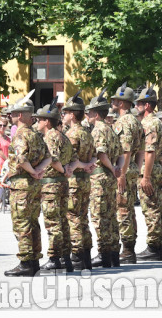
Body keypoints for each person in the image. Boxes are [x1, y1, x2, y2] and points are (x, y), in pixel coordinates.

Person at [4, 96, 51, 277]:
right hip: (34, 184)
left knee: (22, 223)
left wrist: (31, 170)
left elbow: (21, 159)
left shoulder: (20, 135)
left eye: (15, 113)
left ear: (22, 115)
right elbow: (48, 157)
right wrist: (38, 170)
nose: (12, 116)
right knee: (33, 222)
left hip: (22, 184)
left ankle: (25, 262)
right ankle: (34, 260)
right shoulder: (36, 135)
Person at [35, 104, 78, 272]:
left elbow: (53, 159)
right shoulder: (63, 136)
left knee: (53, 222)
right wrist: (69, 170)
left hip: (51, 183)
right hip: (62, 183)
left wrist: (63, 170)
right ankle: (65, 257)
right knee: (63, 221)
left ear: (47, 121)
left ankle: (54, 258)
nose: (37, 122)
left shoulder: (50, 136)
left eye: (39, 119)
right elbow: (75, 158)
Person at [86, 90, 122, 268]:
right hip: (109, 177)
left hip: (100, 176)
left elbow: (101, 153)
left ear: (95, 114)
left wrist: (111, 167)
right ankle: (114, 252)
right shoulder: (111, 130)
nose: (88, 115)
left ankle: (104, 253)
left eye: (90, 112)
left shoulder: (98, 130)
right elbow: (121, 153)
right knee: (111, 216)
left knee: (99, 216)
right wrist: (117, 168)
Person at [110, 83, 145, 264]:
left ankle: (127, 251)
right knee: (129, 209)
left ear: (123, 103)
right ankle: (129, 248)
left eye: (116, 99)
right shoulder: (136, 122)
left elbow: (125, 151)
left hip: (123, 170)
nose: (113, 101)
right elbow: (141, 152)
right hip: (131, 169)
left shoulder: (124, 122)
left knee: (122, 210)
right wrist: (136, 170)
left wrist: (121, 175)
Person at [61, 92, 96, 270]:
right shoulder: (87, 132)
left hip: (74, 181)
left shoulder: (72, 134)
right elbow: (94, 157)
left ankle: (77, 255)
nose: (63, 115)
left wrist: (81, 165)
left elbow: (71, 161)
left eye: (65, 112)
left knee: (73, 218)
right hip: (85, 180)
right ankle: (86, 255)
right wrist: (88, 164)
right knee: (82, 218)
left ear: (72, 115)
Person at [135, 86, 162, 261]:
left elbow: (150, 151)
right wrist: (161, 170)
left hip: (148, 169)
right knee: (156, 206)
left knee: (151, 208)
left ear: (147, 105)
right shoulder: (158, 123)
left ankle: (154, 247)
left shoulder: (149, 124)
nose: (137, 105)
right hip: (156, 168)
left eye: (139, 103)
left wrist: (146, 177)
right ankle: (157, 246)